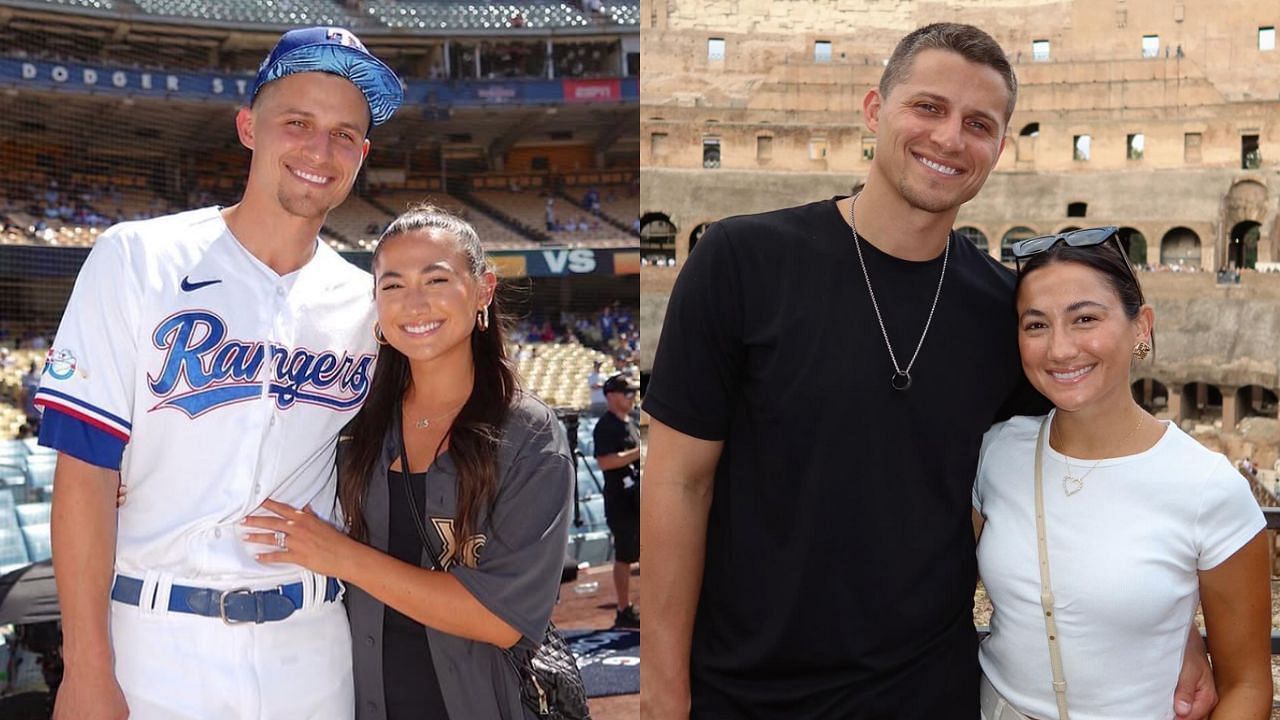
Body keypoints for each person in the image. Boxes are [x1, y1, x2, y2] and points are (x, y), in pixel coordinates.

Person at [642, 23, 1217, 720]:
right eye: (927, 108)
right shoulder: (740, 261)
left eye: (978, 124)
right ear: (873, 110)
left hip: (927, 691)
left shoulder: (1008, 312)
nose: (949, 139)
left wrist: (1168, 625)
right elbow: (678, 480)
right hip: (745, 690)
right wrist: (663, 690)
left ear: (999, 150)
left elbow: (1072, 480)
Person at [37, 26, 402, 720]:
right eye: (297, 123)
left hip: (314, 647)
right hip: (155, 640)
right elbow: (84, 472)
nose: (319, 151)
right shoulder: (137, 258)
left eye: (344, 134)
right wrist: (87, 669)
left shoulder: (366, 303)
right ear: (248, 127)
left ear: (362, 153)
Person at [241, 205, 575, 719]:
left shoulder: (528, 432)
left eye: (436, 279)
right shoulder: (354, 421)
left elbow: (499, 617)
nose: (413, 304)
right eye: (392, 286)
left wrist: (341, 557)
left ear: (483, 290)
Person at [974, 227, 1272, 718]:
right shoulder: (996, 453)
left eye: (1085, 318)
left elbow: (1247, 685)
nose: (1061, 349)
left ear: (1141, 327)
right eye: (1036, 325)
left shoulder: (1209, 487)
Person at [593, 373, 641, 628]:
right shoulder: (605, 426)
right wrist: (638, 453)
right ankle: (623, 608)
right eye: (628, 393)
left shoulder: (632, 422)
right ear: (611, 396)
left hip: (638, 497)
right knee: (625, 554)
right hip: (620, 499)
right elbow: (605, 461)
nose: (633, 397)